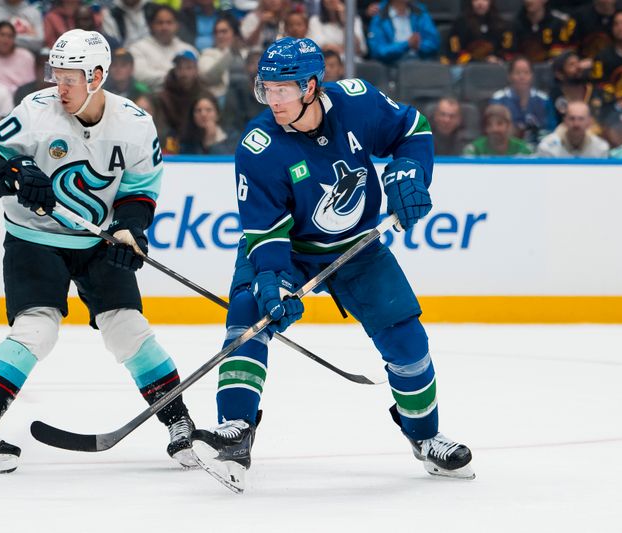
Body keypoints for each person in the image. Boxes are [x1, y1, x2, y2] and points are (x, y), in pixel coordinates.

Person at [189, 37, 474, 493]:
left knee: (407, 338)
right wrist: (271, 282)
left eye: (283, 89)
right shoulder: (259, 147)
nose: (273, 100)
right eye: (267, 89)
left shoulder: (357, 101)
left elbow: (414, 129)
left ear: (311, 86)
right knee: (248, 314)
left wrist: (409, 172)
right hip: (291, 249)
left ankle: (425, 436)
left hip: (359, 248)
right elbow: (264, 234)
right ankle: (235, 431)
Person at [0, 29, 196, 474]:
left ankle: (180, 423)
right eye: (56, 75)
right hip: (33, 237)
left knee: (129, 329)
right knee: (37, 329)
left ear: (97, 76)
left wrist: (131, 231)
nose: (59, 87)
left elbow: (140, 191)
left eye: (70, 78)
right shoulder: (34, 113)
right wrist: (16, 173)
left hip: (96, 240)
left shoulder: (135, 124)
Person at [490, 56, 557, 146]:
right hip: (507, 149)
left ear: (532, 76)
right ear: (509, 76)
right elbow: (493, 129)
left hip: (538, 150)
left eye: (526, 73)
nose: (522, 77)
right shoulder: (499, 99)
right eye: (517, 73)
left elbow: (551, 130)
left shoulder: (543, 99)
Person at [367, 0, 440, 65]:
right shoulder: (380, 15)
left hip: (420, 64)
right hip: (391, 66)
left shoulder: (420, 12)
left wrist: (419, 46)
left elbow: (433, 43)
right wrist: (407, 44)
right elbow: (378, 51)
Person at [536, 100, 610, 156]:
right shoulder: (547, 147)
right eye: (572, 118)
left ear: (589, 122)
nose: (576, 124)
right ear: (564, 121)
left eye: (581, 119)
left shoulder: (600, 148)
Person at [463, 103, 533, 156]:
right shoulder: (475, 150)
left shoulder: (523, 150)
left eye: (500, 124)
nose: (494, 129)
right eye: (489, 124)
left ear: (508, 125)